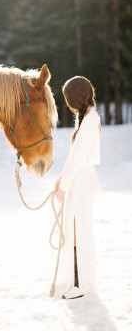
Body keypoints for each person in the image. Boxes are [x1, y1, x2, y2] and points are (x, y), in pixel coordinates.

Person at [54, 76, 101, 299]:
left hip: (82, 179)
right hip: (78, 177)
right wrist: (62, 178)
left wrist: (65, 184)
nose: (68, 104)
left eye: (68, 99)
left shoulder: (90, 121)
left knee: (78, 229)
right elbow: (73, 156)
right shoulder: (84, 118)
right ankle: (76, 280)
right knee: (73, 229)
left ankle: (81, 283)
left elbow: (80, 157)